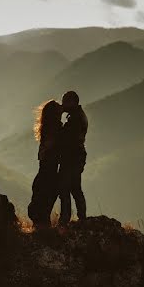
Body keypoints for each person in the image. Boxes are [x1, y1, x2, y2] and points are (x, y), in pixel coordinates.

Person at [27, 100, 63, 228]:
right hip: (50, 168)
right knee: (48, 195)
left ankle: (40, 223)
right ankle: (42, 224)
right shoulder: (55, 128)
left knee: (43, 194)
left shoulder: (46, 127)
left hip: (45, 168)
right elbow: (53, 146)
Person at [58, 90, 88, 226]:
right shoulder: (77, 116)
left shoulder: (75, 118)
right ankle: (82, 218)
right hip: (77, 156)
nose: (62, 103)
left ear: (72, 102)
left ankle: (65, 219)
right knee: (75, 187)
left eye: (65, 101)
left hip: (72, 157)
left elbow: (66, 137)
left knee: (65, 187)